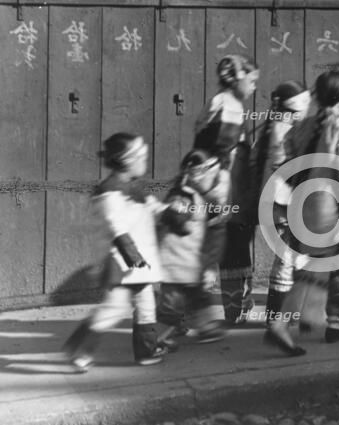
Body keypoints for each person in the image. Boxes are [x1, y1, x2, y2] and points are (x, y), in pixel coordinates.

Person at [62, 133, 185, 372]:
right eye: (141, 156)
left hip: (140, 264)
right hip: (123, 263)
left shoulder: (136, 188)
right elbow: (116, 229)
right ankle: (80, 351)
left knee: (146, 306)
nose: (144, 161)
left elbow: (157, 209)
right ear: (127, 160)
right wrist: (136, 261)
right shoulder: (109, 192)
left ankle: (146, 351)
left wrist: (176, 214)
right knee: (114, 308)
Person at [264, 71, 339, 356]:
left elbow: (286, 160)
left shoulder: (304, 126)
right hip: (328, 207)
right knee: (320, 271)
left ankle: (332, 322)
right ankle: (283, 325)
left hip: (301, 203)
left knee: (322, 268)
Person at [193, 54, 260, 325]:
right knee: (231, 250)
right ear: (238, 78)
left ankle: (235, 309)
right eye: (253, 80)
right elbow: (222, 155)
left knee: (227, 250)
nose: (255, 87)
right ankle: (233, 312)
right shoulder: (229, 107)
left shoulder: (221, 102)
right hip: (226, 192)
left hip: (221, 191)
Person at [156, 149, 231, 350]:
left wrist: (207, 265)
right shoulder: (183, 194)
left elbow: (215, 232)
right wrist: (181, 221)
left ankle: (205, 327)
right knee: (171, 305)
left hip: (191, 261)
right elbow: (172, 216)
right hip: (175, 262)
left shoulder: (206, 198)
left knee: (198, 296)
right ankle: (154, 338)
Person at [253, 81, 311, 324]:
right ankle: (277, 317)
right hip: (285, 204)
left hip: (277, 204)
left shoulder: (271, 127)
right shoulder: (286, 130)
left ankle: (286, 314)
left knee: (290, 258)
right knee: (288, 260)